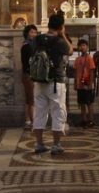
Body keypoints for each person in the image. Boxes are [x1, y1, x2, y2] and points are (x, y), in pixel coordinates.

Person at [31, 12, 73, 154]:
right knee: (58, 112)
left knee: (39, 113)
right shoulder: (60, 42)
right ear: (61, 27)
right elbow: (71, 51)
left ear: (48, 25)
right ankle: (56, 145)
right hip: (55, 82)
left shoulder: (38, 39)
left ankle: (39, 144)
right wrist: (63, 35)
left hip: (38, 82)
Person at [73, 38, 96, 128]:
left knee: (89, 103)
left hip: (87, 84)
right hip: (80, 85)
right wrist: (75, 83)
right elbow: (75, 72)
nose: (82, 47)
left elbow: (92, 71)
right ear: (78, 47)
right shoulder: (77, 59)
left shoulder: (89, 58)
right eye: (80, 46)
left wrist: (91, 84)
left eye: (84, 45)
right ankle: (84, 120)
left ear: (87, 47)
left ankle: (91, 120)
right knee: (82, 103)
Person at [19, 24, 38, 129]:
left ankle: (27, 120)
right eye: (31, 32)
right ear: (27, 33)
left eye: (35, 32)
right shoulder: (27, 45)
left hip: (28, 74)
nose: (34, 34)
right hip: (29, 74)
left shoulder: (30, 44)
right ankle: (34, 123)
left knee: (28, 99)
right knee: (32, 100)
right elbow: (29, 62)